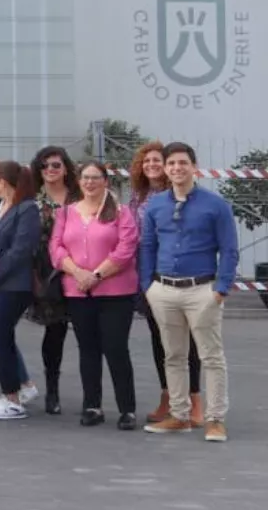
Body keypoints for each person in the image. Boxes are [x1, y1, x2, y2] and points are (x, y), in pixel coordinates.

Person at [139, 141, 237, 444]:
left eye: (183, 163)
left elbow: (229, 250)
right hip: (163, 290)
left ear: (194, 167)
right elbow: (147, 247)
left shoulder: (215, 205)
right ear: (166, 170)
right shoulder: (155, 205)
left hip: (202, 290)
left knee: (211, 357)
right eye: (172, 164)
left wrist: (220, 290)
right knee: (174, 356)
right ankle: (179, 415)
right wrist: (148, 286)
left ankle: (215, 419)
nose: (177, 168)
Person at [51, 159, 140, 430]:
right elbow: (56, 248)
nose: (90, 182)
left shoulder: (121, 212)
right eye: (85, 178)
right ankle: (92, 405)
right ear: (79, 182)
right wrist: (78, 273)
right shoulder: (66, 213)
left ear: (106, 182)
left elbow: (125, 250)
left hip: (116, 293)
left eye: (95, 178)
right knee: (88, 350)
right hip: (78, 293)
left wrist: (96, 275)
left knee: (115, 349)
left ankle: (127, 409)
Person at [124, 140, 201, 428]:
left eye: (158, 160)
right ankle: (168, 398)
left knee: (187, 341)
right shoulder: (137, 196)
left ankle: (195, 401)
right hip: (148, 277)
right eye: (147, 162)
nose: (152, 165)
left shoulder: (179, 194)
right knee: (160, 341)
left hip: (180, 275)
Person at [0, 160, 41, 420]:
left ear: (7, 181)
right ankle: (18, 388)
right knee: (1, 337)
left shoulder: (27, 210)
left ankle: (12, 399)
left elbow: (20, 252)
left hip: (12, 285)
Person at [27, 144, 75, 414]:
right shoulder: (33, 200)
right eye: (44, 166)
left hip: (81, 269)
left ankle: (94, 394)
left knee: (90, 335)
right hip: (48, 273)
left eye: (56, 165)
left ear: (65, 168)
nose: (50, 170)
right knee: (54, 332)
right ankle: (52, 391)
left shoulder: (79, 197)